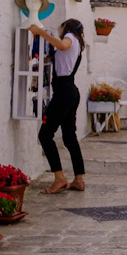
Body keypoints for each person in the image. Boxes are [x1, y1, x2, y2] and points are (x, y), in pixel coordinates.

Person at [31, 16, 86, 193]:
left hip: (64, 93)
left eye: (61, 28)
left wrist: (41, 33)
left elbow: (62, 45)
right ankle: (78, 179)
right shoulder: (77, 42)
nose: (61, 32)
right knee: (69, 137)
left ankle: (59, 177)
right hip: (70, 91)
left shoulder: (69, 37)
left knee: (45, 135)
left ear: (67, 28)